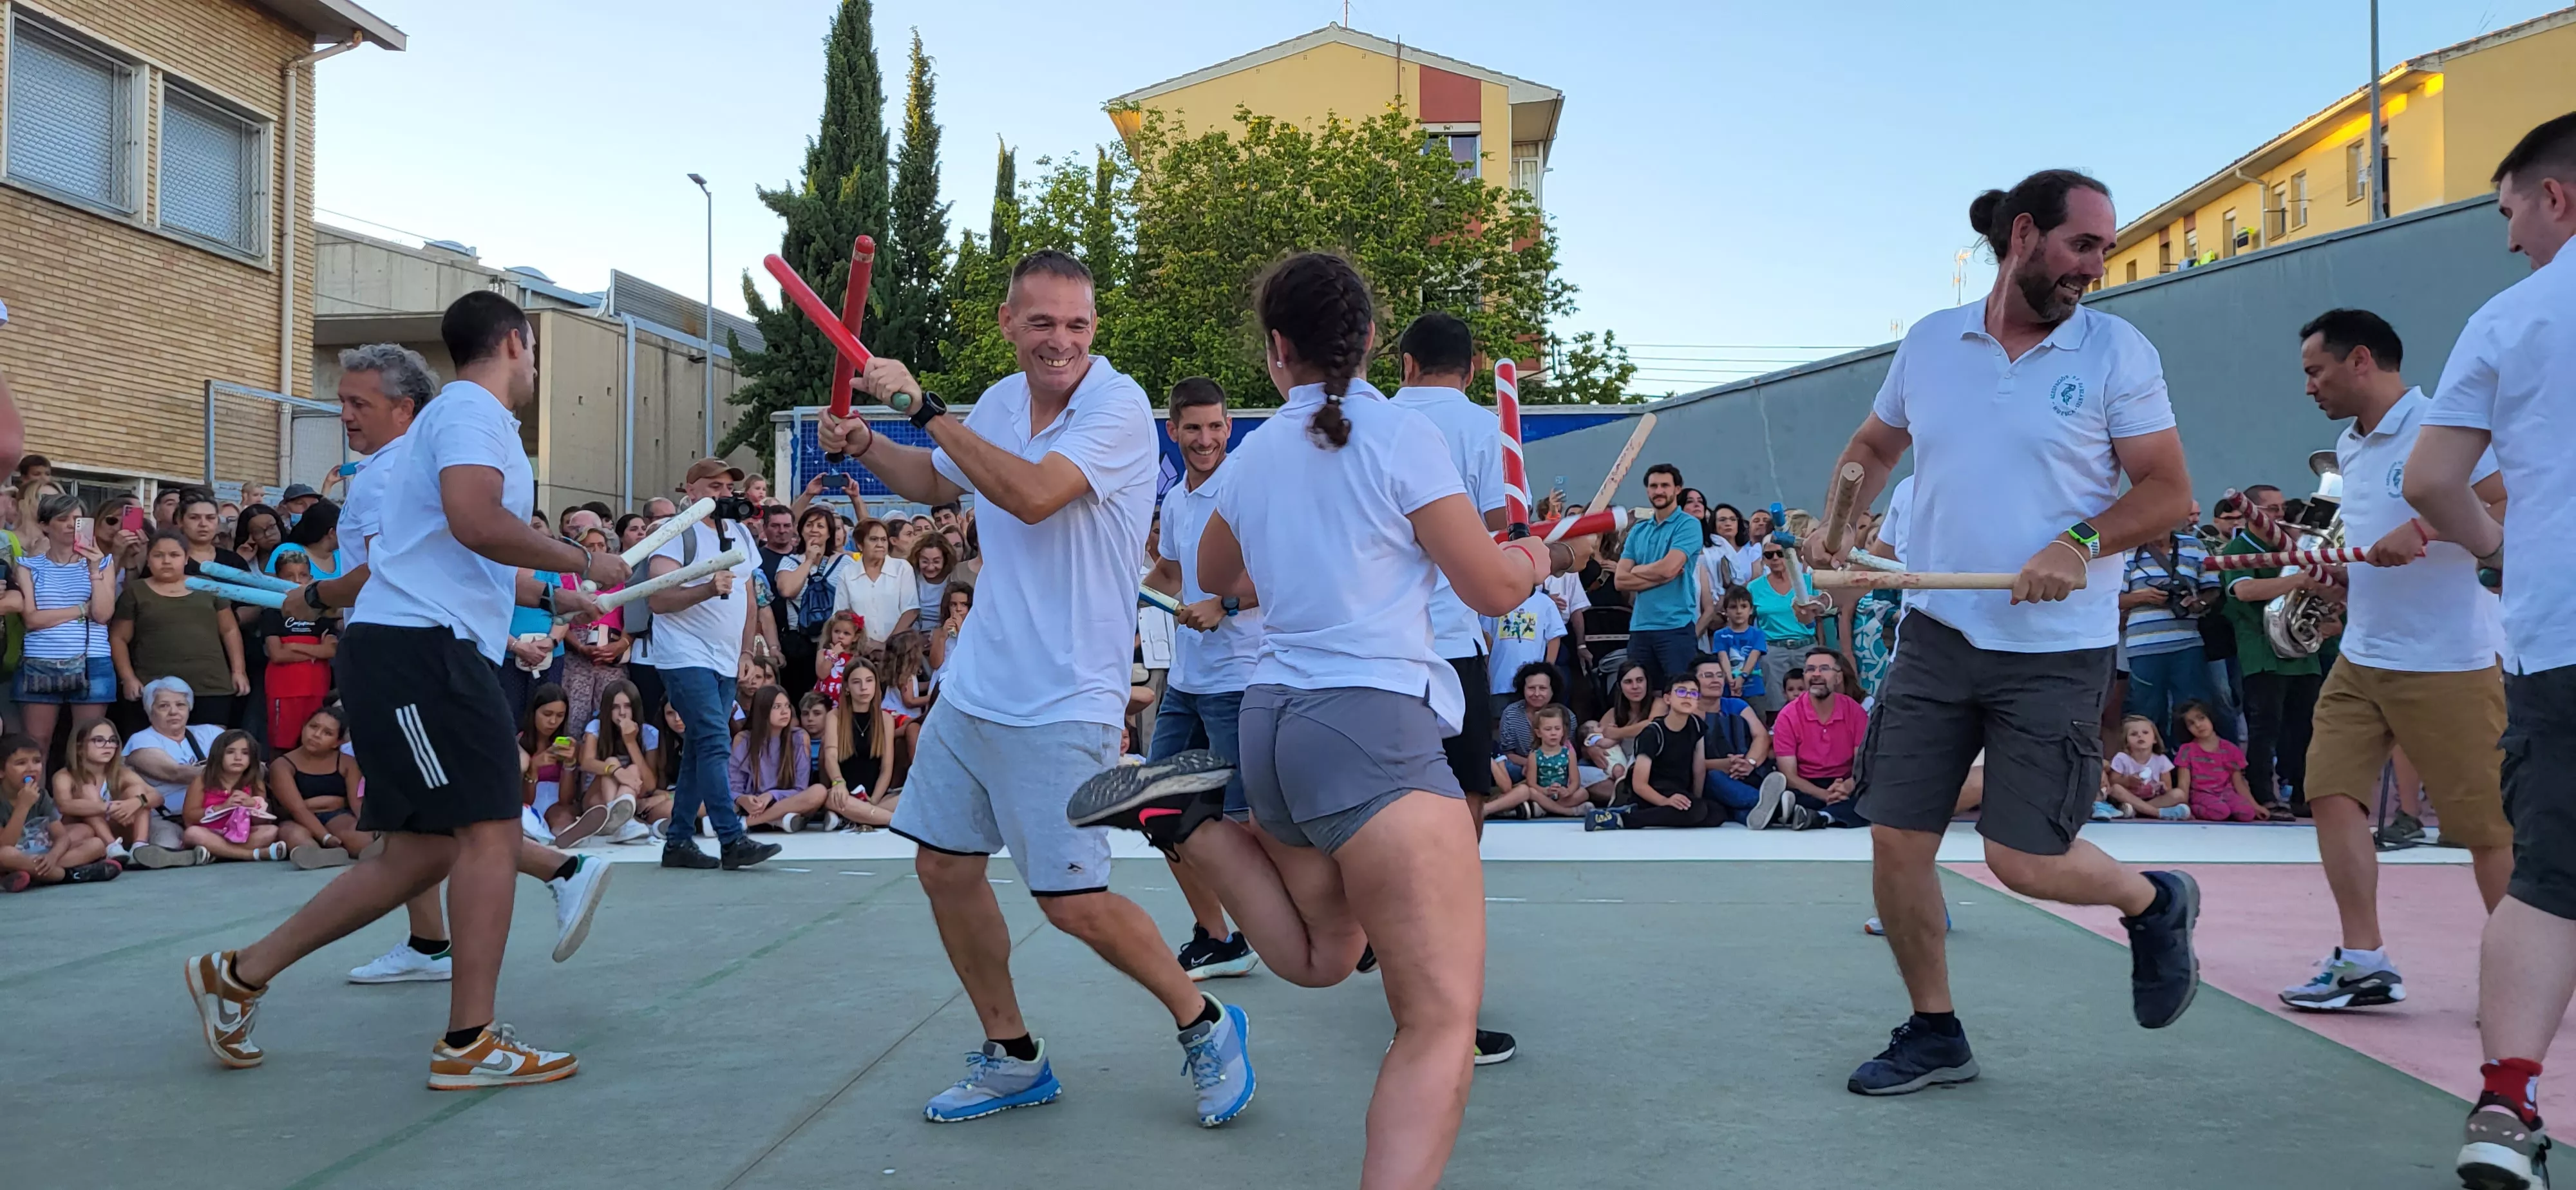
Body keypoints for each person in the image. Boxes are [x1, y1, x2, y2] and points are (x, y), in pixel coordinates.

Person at [1068, 251, 1564, 1184]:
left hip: (1273, 724)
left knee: (1322, 957)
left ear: (1276, 353)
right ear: (1373, 341)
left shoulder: (1253, 458)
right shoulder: (1399, 439)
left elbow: (1214, 576)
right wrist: (1538, 556)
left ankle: (1194, 821)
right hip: (1373, 729)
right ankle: (1194, 820)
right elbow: (1491, 587)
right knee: (1439, 1022)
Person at [819, 249, 1253, 1128]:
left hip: (1067, 698)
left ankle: (1206, 1021)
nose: (1062, 340)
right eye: (1044, 322)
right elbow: (943, 481)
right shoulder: (1001, 403)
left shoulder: (1119, 408)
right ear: (1011, 325)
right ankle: (1012, 1054)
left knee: (1070, 902)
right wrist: (870, 444)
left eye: (1078, 325)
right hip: (978, 686)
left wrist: (919, 405)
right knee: (942, 866)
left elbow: (1028, 495)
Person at [1806, 169, 2202, 1097]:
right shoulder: (1932, 342)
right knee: (1896, 837)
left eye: (2103, 249)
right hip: (1937, 632)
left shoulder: (2117, 352)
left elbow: (2168, 492)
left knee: (2021, 858)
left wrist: (2077, 541)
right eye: (2082, 245)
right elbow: (1872, 449)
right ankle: (1935, 1031)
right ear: (2024, 235)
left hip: (2056, 646)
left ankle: (2153, 903)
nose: (2095, 268)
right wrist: (1839, 515)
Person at [184, 296, 624, 1087]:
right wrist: (584, 561)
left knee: (421, 851)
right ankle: (470, 1043)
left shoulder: (457, 420)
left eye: (358, 403)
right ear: (518, 343)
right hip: (425, 655)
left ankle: (240, 974)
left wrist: (560, 595)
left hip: (415, 649)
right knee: (490, 833)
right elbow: (473, 521)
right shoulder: (469, 413)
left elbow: (457, 548)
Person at [2398, 111, 2576, 1190]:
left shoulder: (2512, 317)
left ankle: (2505, 1107)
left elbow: (2430, 481)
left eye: (2509, 211)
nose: (2506, 237)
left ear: (2556, 197)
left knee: (2550, 880)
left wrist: (2501, 549)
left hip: (2563, 638)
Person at [2277, 310, 2508, 1014]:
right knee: (2328, 792)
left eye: (2316, 372)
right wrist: (2346, 578)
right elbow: (2378, 541)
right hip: (2363, 656)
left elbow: (2502, 504)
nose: (2309, 387)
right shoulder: (2348, 446)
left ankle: (2524, 969)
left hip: (2450, 661)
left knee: (2486, 829)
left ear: (2361, 362)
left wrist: (2427, 525)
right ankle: (2362, 960)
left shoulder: (2447, 425)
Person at [1141, 376, 1262, 981]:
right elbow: (1168, 573)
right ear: (1174, 431)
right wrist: (1124, 581)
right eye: (1193, 427)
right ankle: (1218, 937)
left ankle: (1331, 929)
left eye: (1216, 426)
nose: (1206, 438)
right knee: (1157, 813)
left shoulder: (1247, 488)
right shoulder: (1178, 501)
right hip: (1187, 684)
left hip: (1241, 681)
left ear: (1229, 427)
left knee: (1246, 828)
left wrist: (1227, 605)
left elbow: (1286, 578)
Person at [645, 457, 781, 871]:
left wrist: (745, 652)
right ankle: (730, 837)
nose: (724, 494)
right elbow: (657, 599)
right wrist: (705, 589)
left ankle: (679, 841)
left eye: (728, 488)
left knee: (700, 750)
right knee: (714, 740)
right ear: (691, 490)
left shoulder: (740, 532)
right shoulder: (676, 533)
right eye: (714, 486)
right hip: (684, 654)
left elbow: (750, 599)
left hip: (725, 658)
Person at [2213, 482, 2322, 818]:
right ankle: (2264, 794)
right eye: (2273, 510)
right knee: (2265, 728)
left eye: (2282, 508)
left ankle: (2305, 794)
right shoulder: (2238, 547)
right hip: (2263, 652)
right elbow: (2244, 591)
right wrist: (2295, 581)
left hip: (2304, 654)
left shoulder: (2295, 547)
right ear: (2252, 512)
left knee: (2308, 727)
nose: (2281, 515)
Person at [12, 493, 116, 759]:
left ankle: (84, 801)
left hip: (92, 659)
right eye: (63, 519)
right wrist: (82, 609)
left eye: (79, 519)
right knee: (37, 743)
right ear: (46, 525)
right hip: (41, 660)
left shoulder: (103, 561)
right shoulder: (28, 565)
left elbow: (103, 614)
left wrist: (94, 567)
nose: (72, 524)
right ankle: (36, 801)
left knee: (89, 746)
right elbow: (32, 620)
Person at [112, 531, 248, 725]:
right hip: (154, 688)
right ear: (148, 560)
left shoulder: (207, 586)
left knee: (211, 749)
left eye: (174, 555)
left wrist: (238, 671)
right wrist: (128, 678)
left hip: (211, 686)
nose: (166, 561)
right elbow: (119, 638)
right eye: (158, 555)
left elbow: (230, 630)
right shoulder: (136, 591)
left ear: (186, 559)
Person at [1584, 674, 1716, 830]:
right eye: (1681, 692)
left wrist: (1695, 798)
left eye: (1693, 693)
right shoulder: (1653, 733)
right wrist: (1665, 802)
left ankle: (1642, 813)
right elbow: (1639, 784)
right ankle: (1622, 819)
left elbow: (1699, 768)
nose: (1687, 697)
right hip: (1651, 790)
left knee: (1715, 813)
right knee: (1697, 811)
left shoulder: (1696, 725)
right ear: (1668, 699)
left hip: (1678, 788)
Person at [1616, 463, 1702, 688]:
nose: (1659, 491)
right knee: (1640, 698)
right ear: (1647, 491)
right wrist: (1661, 573)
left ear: (1677, 490)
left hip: (1675, 627)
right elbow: (1620, 580)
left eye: (1665, 485)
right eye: (1654, 486)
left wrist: (1637, 570)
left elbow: (1669, 569)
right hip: (1640, 628)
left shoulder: (1689, 525)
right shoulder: (1638, 530)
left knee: (1682, 693)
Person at [3, 732, 120, 891]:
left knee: (96, 843)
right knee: (5, 855)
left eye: (37, 761)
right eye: (21, 763)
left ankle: (31, 874)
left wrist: (53, 857)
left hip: (38, 853)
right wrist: (23, 806)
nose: (31, 768)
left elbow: (61, 836)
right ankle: (67, 875)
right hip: (11, 855)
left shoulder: (41, 795)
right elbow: (5, 844)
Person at [271, 706, 370, 868]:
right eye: (313, 727)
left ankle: (365, 849)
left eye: (327, 733)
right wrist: (326, 837)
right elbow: (298, 809)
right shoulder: (282, 765)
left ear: (338, 742)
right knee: (295, 835)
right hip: (296, 819)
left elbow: (356, 802)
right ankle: (318, 854)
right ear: (304, 727)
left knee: (355, 835)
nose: (316, 735)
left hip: (337, 816)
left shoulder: (347, 763)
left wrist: (366, 827)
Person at [1694, 654, 1786, 826]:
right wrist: (1723, 764)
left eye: (1720, 675)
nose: (1716, 680)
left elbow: (1761, 736)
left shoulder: (1736, 705)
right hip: (1711, 779)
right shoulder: (1687, 714)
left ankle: (1764, 811)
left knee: (1742, 812)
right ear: (1693, 683)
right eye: (1708, 676)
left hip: (1745, 773)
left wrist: (1749, 763)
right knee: (1713, 777)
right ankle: (1780, 808)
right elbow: (1682, 761)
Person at [258, 550, 337, 752]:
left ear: (311, 578)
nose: (297, 581)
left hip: (317, 688)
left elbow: (330, 651)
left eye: (303, 575)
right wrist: (315, 651)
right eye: (289, 576)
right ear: (278, 579)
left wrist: (295, 646)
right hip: (284, 690)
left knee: (316, 746)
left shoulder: (322, 612)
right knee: (282, 747)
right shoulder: (273, 611)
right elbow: (278, 654)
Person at [576, 679, 665, 844]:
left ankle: (619, 823)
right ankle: (620, 818)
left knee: (634, 769)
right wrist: (615, 770)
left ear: (635, 708)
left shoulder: (649, 733)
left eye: (628, 706)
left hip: (635, 797)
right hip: (596, 800)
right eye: (615, 707)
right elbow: (586, 762)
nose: (622, 713)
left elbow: (651, 785)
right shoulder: (596, 727)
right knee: (611, 761)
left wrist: (631, 742)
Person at [178, 728, 287, 862]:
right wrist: (222, 807)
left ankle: (218, 853)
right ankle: (253, 854)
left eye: (245, 753)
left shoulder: (255, 783)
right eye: (230, 752)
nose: (238, 758)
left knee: (271, 831)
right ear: (218, 755)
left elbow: (263, 822)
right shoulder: (202, 780)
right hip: (210, 833)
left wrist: (252, 806)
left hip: (240, 836)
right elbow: (189, 817)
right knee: (192, 833)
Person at [729, 683, 823, 832]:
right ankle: (777, 821)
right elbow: (734, 787)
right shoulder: (744, 739)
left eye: (787, 706)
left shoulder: (799, 737)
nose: (785, 712)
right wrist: (742, 799)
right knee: (706, 801)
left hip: (786, 802)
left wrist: (771, 796)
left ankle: (747, 823)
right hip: (752, 805)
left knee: (819, 792)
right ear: (763, 711)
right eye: (777, 707)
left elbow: (800, 788)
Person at [57, 717, 152, 863]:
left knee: (138, 791)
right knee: (87, 791)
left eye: (112, 740)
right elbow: (64, 805)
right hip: (84, 834)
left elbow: (157, 796)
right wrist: (108, 807)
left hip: (118, 829)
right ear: (80, 748)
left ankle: (139, 848)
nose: (107, 746)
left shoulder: (121, 773)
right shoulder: (64, 775)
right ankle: (111, 847)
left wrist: (136, 802)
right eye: (99, 740)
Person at [1745, 538, 1820, 715]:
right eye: (1769, 555)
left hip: (1807, 646)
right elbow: (1747, 623)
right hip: (1773, 650)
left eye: (1780, 553)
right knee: (1775, 705)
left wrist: (1821, 649)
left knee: (1813, 700)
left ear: (1790, 555)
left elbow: (1821, 619)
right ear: (1763, 559)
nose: (1776, 558)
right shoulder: (1754, 587)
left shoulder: (1809, 581)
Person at [820, 663, 898, 830]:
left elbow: (887, 768)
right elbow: (831, 756)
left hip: (877, 797)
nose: (864, 687)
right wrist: (838, 783)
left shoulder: (886, 719)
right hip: (843, 794)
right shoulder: (834, 716)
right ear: (847, 687)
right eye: (857, 682)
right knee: (828, 797)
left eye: (869, 681)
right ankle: (894, 821)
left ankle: (857, 817)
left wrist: (873, 801)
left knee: (912, 795)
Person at [831, 516, 916, 648]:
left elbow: (911, 610)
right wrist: (864, 644)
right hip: (861, 650)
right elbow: (841, 615)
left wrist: (886, 645)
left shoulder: (902, 568)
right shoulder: (848, 573)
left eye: (883, 540)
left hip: (898, 649)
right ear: (860, 545)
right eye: (874, 539)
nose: (880, 544)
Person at [2174, 701, 2259, 822]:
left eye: (2201, 718)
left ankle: (2227, 809)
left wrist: (2256, 806)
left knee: (2247, 814)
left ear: (2211, 718)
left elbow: (2239, 783)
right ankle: (2197, 808)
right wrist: (2186, 807)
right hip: (2201, 795)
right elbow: (2183, 784)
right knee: (2220, 812)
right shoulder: (2187, 750)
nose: (2198, 725)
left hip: (2227, 794)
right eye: (2191, 724)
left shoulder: (2230, 749)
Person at [2103, 714, 2189, 820]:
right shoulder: (2122, 758)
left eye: (2145, 733)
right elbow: (2113, 782)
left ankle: (2138, 810)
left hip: (2152, 799)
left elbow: (2168, 788)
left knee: (2179, 794)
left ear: (2155, 739)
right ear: (2126, 742)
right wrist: (2128, 781)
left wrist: (2162, 788)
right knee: (2116, 790)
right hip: (2129, 797)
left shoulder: (2162, 760)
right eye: (2134, 734)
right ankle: (2157, 813)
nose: (2140, 736)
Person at [1707, 586, 1767, 703]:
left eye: (1744, 606)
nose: (1739, 611)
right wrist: (1731, 681)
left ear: (1751, 610)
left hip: (1753, 688)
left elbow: (1753, 657)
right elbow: (1723, 657)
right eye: (1733, 607)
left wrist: (1742, 677)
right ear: (1726, 611)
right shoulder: (1720, 635)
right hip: (1728, 688)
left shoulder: (1758, 634)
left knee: (1757, 719)